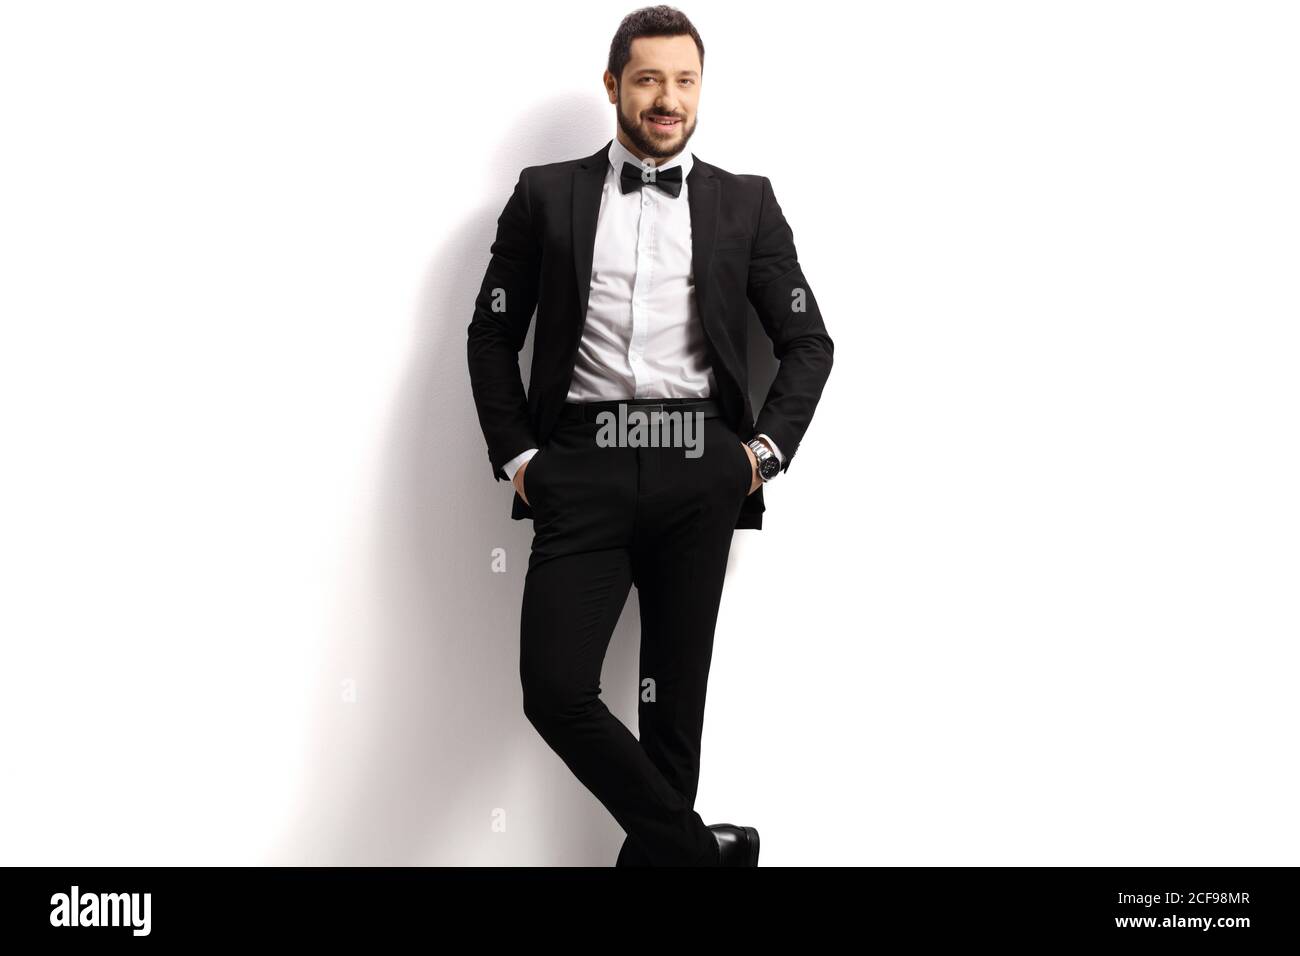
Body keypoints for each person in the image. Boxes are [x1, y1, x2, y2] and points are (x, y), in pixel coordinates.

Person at [466, 5, 833, 865]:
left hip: (698, 466)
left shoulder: (747, 203)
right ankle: (704, 854)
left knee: (673, 714)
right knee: (556, 690)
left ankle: (672, 855)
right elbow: (491, 332)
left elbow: (808, 341)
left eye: (684, 80)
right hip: (581, 466)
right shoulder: (545, 193)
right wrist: (520, 458)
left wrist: (757, 456)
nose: (667, 99)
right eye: (647, 79)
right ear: (613, 86)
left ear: (699, 89)